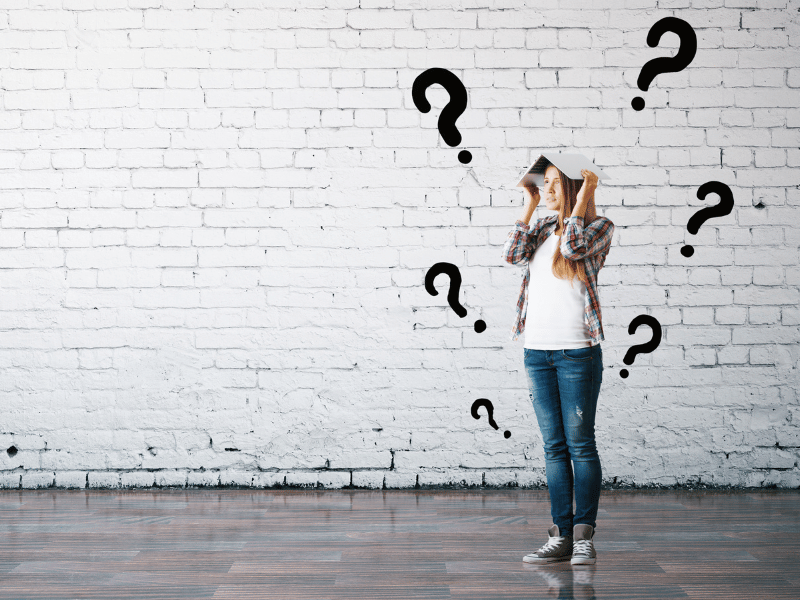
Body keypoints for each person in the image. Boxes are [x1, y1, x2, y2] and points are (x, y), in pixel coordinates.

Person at [502, 162, 615, 566]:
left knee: (580, 446)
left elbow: (573, 249)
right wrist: (530, 205)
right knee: (554, 448)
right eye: (542, 183)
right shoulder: (541, 228)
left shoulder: (598, 228)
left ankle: (584, 536)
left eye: (551, 184)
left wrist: (583, 198)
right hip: (537, 352)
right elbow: (512, 254)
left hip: (576, 353)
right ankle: (560, 535)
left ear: (569, 185)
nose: (545, 189)